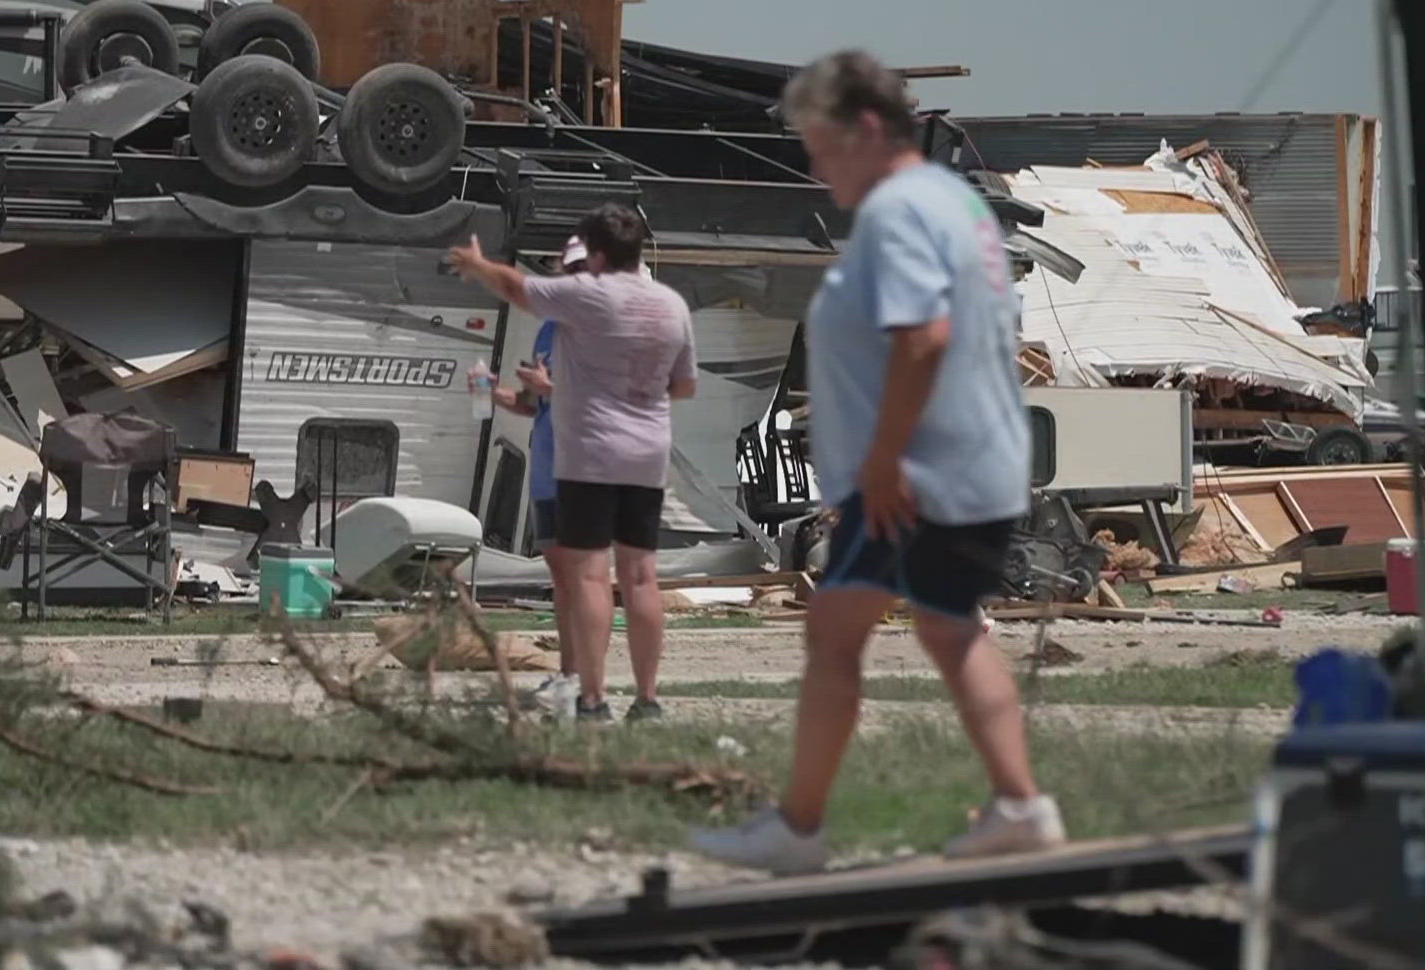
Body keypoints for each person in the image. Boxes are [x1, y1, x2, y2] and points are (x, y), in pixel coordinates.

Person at [690, 50, 1063, 874]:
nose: (816, 169)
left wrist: (886, 460)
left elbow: (923, 339)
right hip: (967, 461)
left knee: (845, 631)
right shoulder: (954, 202)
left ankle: (800, 828)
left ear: (864, 129)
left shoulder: (899, 212)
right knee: (941, 628)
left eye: (820, 147)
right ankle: (1016, 806)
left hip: (916, 474)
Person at [448, 204, 697, 723]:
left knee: (587, 578)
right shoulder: (671, 305)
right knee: (641, 578)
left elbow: (517, 288)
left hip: (590, 453)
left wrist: (476, 264)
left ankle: (592, 698)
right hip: (647, 453)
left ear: (599, 255)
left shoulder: (588, 297)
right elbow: (684, 387)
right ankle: (648, 700)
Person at [491, 236, 590, 713]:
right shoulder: (550, 328)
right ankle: (568, 676)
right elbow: (536, 404)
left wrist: (552, 386)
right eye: (567, 269)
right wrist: (500, 393)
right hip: (548, 463)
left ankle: (588, 684)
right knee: (561, 578)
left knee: (584, 576)